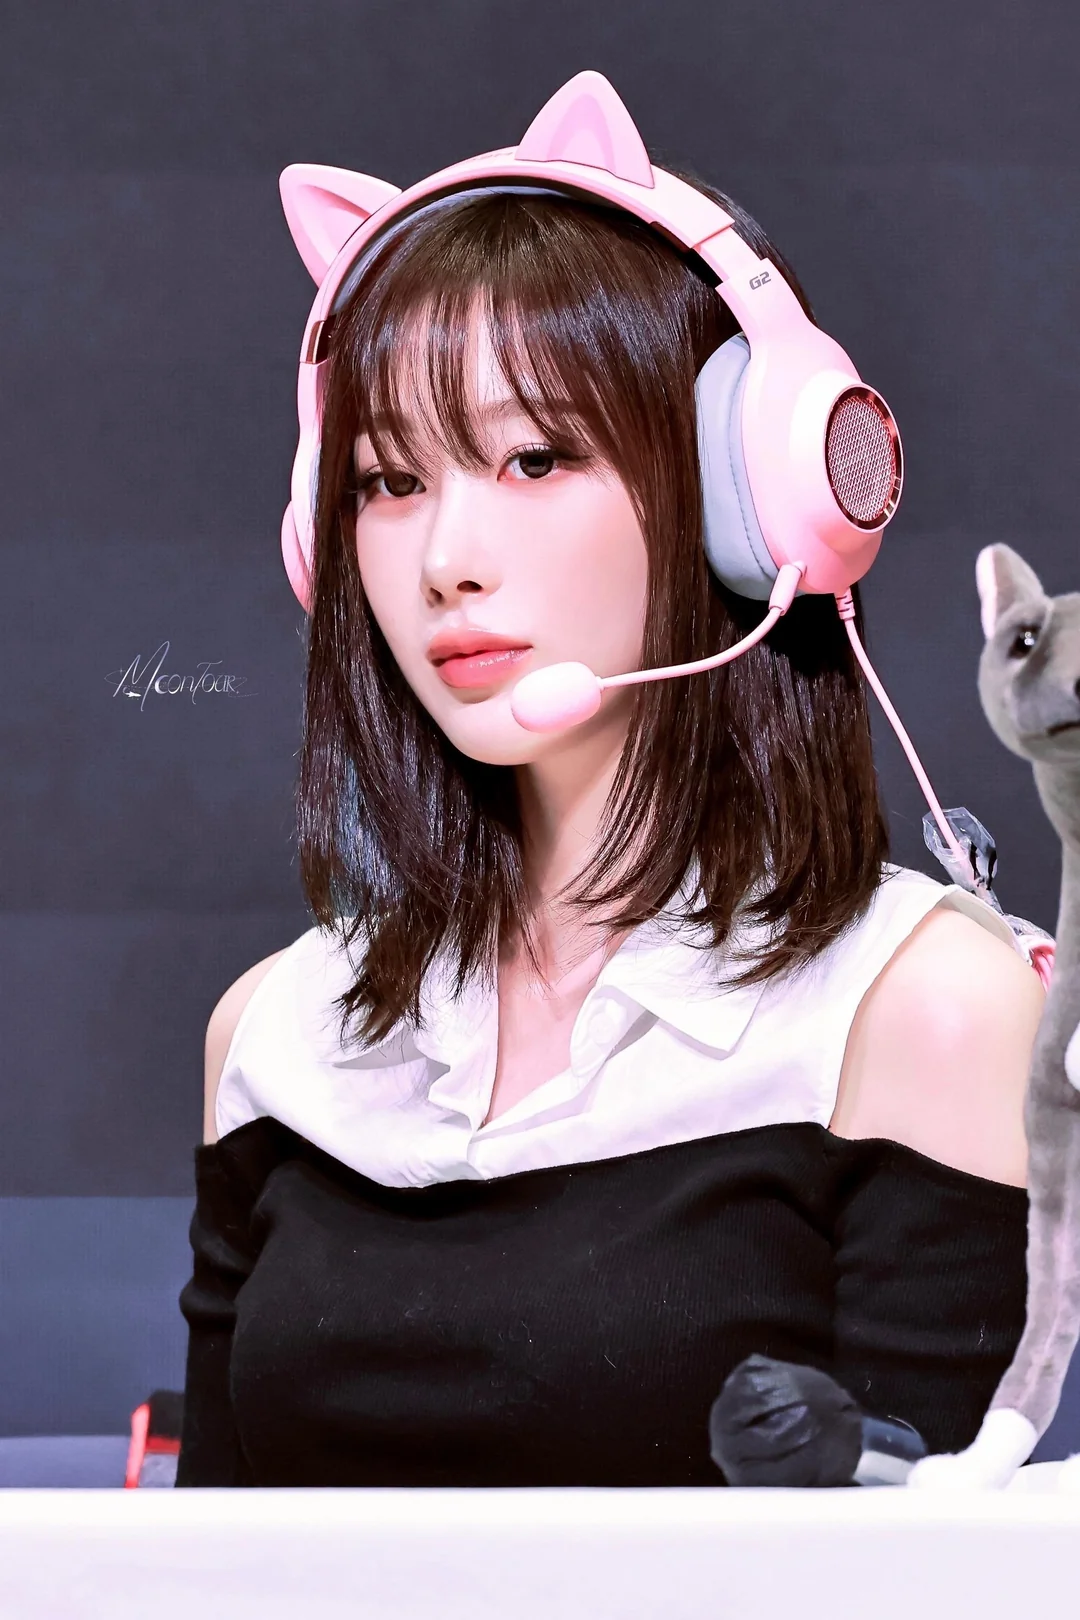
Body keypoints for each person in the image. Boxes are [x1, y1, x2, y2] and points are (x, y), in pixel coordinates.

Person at [175, 79, 1046, 1488]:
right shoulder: (274, 1036)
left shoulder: (923, 1011)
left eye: (532, 458)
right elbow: (194, 1563)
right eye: (388, 482)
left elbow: (921, 1568)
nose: (445, 557)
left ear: (746, 492)